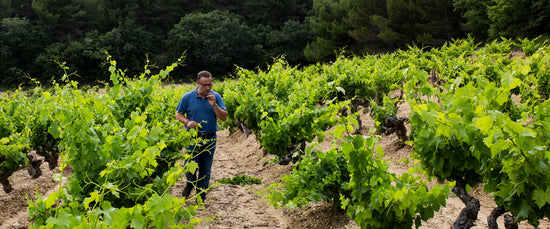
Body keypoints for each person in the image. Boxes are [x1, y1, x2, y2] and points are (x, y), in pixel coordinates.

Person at [175, 70, 227, 203]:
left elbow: (224, 117)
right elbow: (178, 114)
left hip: (210, 139)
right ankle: (189, 184)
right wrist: (187, 122)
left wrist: (214, 106)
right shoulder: (188, 97)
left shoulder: (216, 97)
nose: (208, 88)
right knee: (190, 167)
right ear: (197, 83)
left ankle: (200, 200)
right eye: (204, 85)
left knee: (205, 171)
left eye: (210, 84)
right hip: (193, 138)